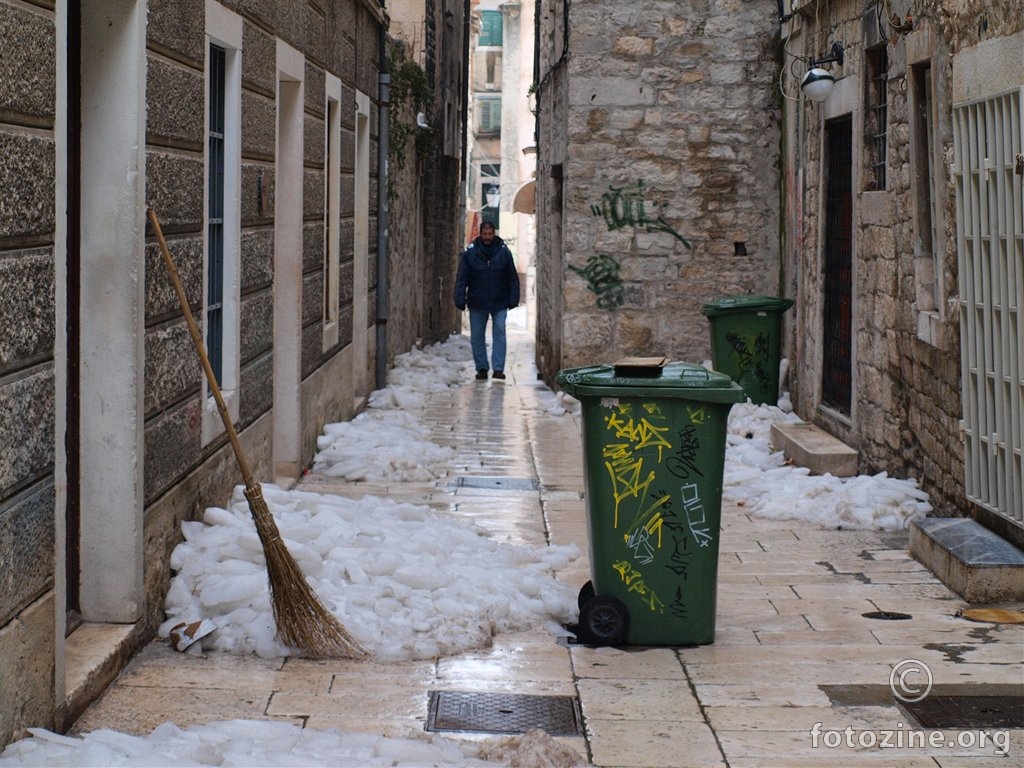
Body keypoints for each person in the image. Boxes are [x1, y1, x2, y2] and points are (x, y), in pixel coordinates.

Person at [454, 221, 520, 380]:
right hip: (477, 300)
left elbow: (512, 277)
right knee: (477, 336)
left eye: (490, 234)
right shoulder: (471, 253)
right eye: (485, 234)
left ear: (494, 233)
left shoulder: (504, 252)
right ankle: (482, 368)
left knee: (499, 332)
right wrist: (460, 297)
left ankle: (498, 369)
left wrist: (513, 298)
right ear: (480, 234)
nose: (488, 237)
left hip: (500, 300)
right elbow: (462, 277)